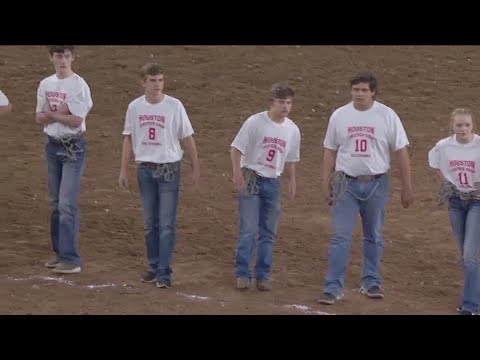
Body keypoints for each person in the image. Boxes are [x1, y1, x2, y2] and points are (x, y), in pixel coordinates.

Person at [317, 70, 414, 305]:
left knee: (374, 235)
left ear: (373, 92)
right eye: (355, 90)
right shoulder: (340, 115)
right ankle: (332, 286)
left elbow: (401, 151)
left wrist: (407, 186)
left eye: (363, 90)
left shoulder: (387, 115)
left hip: (377, 183)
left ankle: (371, 281)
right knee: (340, 236)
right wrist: (324, 181)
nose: (359, 94)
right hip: (345, 182)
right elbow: (330, 149)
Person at [119, 63, 200, 289]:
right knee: (149, 223)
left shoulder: (175, 106)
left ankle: (163, 271)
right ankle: (154, 267)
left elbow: (187, 137)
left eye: (160, 80)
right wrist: (124, 168)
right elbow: (128, 138)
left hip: (168, 170)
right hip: (145, 168)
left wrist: (195, 165)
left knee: (165, 224)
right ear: (143, 82)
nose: (157, 84)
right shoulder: (134, 107)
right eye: (153, 80)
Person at [230, 83, 301, 291]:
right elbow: (235, 149)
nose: (285, 107)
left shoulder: (292, 130)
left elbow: (290, 159)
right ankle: (243, 273)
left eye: (288, 103)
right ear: (272, 102)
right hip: (251, 177)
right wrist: (237, 173)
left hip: (272, 181)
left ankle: (262, 275)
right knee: (249, 229)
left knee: (269, 232)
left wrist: (292, 180)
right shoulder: (255, 122)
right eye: (281, 102)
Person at [34, 45, 93, 274]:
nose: (63, 60)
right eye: (59, 56)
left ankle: (70, 258)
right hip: (53, 146)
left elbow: (77, 120)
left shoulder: (79, 85)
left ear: (72, 58)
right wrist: (60, 115)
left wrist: (52, 115)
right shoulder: (46, 84)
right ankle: (60, 252)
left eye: (67, 56)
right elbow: (38, 117)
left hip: (72, 148)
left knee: (67, 203)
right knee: (56, 204)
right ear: (51, 57)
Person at [428, 108, 480, 315]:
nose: (463, 128)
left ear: (472, 126)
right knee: (465, 254)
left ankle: (471, 306)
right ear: (452, 126)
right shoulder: (444, 146)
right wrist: (447, 182)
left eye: (467, 124)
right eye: (459, 125)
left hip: (477, 202)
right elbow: (434, 163)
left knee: (469, 255)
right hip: (456, 202)